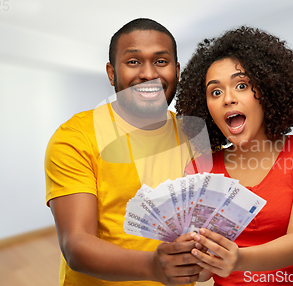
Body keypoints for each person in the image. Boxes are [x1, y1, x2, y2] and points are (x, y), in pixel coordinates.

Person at [176, 27, 293, 285]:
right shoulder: (200, 170)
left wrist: (238, 259)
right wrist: (189, 257)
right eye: (215, 92)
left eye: (241, 85)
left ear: (268, 90)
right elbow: (203, 273)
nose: (228, 99)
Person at [45, 18, 206, 286]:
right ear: (111, 73)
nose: (148, 74)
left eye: (161, 61)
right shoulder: (75, 137)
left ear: (176, 70)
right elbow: (75, 243)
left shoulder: (192, 135)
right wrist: (153, 267)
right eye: (133, 62)